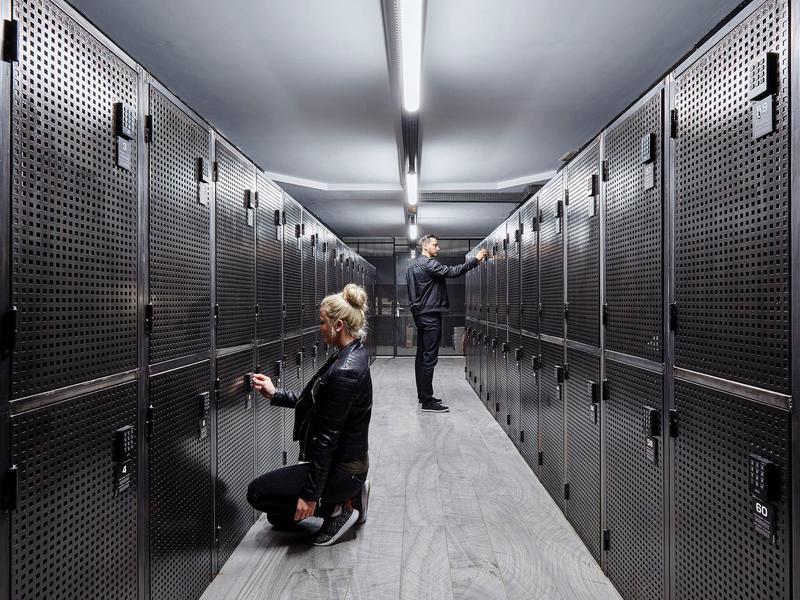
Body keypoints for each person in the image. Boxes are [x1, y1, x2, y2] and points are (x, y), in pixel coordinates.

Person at [247, 284, 372, 546]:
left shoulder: (344, 372)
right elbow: (318, 403)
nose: (320, 328)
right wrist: (275, 393)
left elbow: (327, 439)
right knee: (278, 517)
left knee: (258, 494)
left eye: (322, 322)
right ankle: (352, 494)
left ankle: (338, 510)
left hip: (342, 468)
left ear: (338, 325)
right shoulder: (352, 354)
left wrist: (310, 496)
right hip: (349, 464)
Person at [406, 234, 488, 412]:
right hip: (430, 315)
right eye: (435, 245)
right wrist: (476, 260)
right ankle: (427, 402)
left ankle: (423, 396)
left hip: (420, 315)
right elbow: (452, 272)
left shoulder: (411, 267)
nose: (438, 248)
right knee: (429, 359)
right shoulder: (429, 264)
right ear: (426, 246)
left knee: (421, 357)